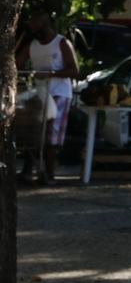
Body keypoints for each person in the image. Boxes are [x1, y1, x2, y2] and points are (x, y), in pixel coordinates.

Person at [14, 11, 79, 184]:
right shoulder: (32, 45)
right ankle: (28, 171)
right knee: (32, 133)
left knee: (50, 136)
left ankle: (49, 174)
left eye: (37, 28)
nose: (35, 32)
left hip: (59, 93)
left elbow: (74, 70)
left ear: (47, 26)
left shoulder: (61, 43)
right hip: (40, 93)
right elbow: (15, 64)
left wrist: (51, 74)